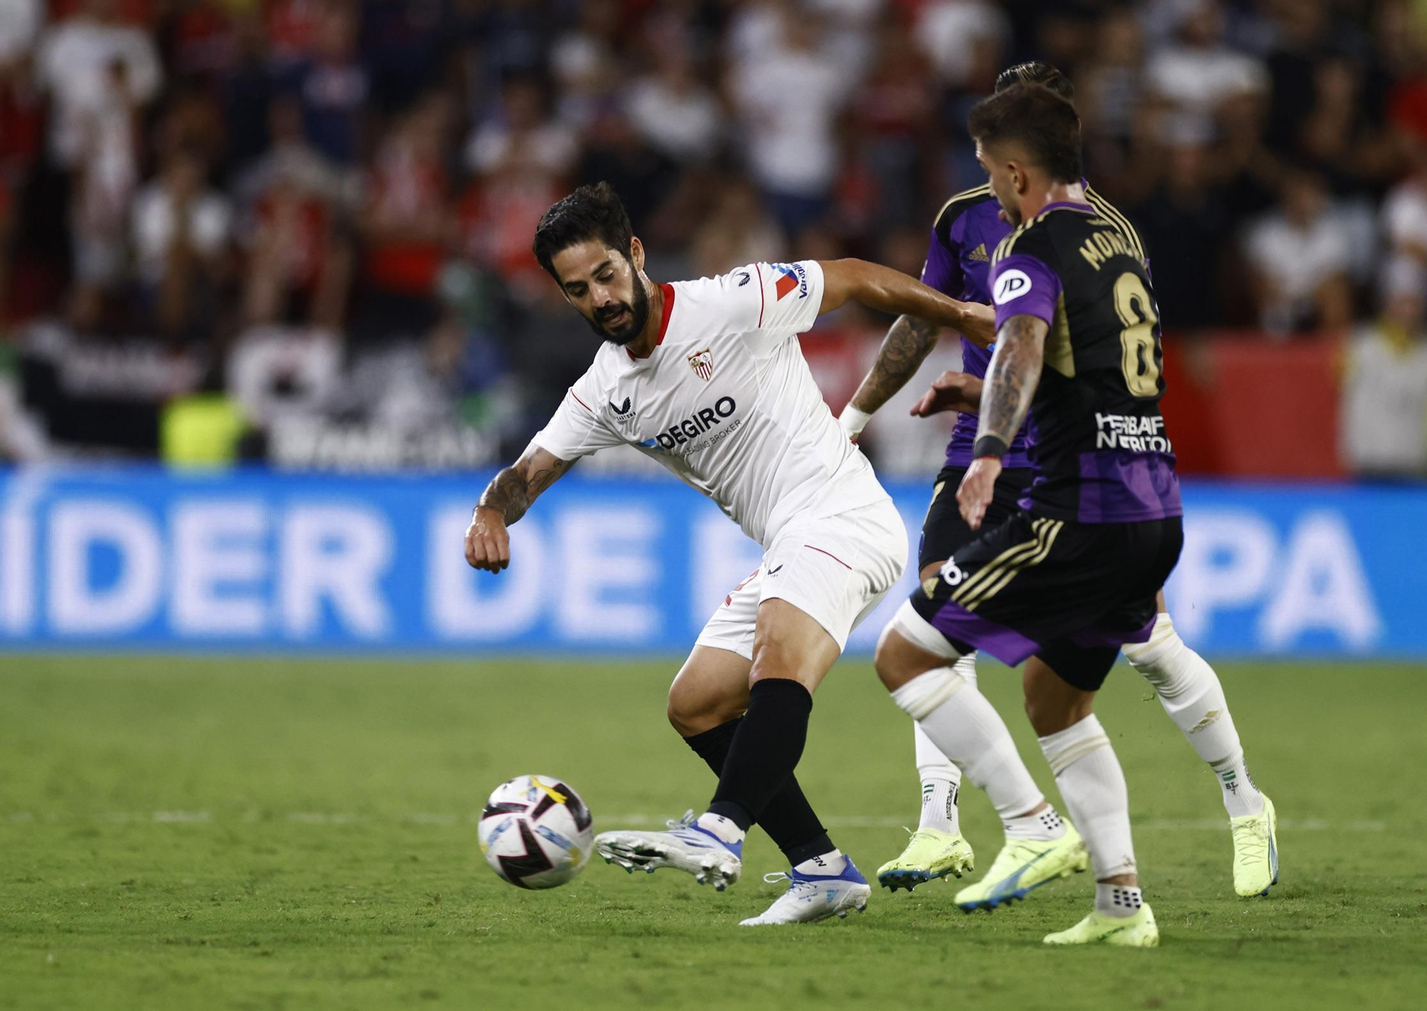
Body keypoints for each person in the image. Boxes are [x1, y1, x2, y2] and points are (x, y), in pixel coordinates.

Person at [463, 182, 993, 925]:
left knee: (779, 646)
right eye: (578, 290)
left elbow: (848, 275)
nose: (601, 298)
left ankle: (719, 828)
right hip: (792, 539)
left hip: (845, 515)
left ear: (636, 254)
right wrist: (492, 510)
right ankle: (822, 868)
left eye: (608, 274)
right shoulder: (603, 391)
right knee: (698, 702)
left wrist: (963, 314)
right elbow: (528, 472)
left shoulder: (730, 300)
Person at [842, 62, 1276, 905]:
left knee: (1136, 647)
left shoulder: (1043, 237)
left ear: (1020, 160)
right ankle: (981, 837)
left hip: (1071, 485)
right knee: (1023, 672)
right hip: (1117, 479)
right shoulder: (1046, 228)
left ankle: (1235, 800)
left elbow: (1030, 344)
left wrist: (997, 440)